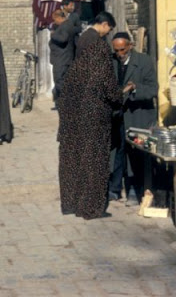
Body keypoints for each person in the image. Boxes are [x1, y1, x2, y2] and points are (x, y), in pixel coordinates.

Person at [58, 11, 131, 220]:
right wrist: (119, 94)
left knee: (74, 157)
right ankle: (91, 207)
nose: (108, 34)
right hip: (93, 112)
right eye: (109, 29)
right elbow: (105, 81)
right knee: (94, 159)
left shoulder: (81, 45)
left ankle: (72, 202)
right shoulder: (99, 47)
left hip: (74, 109)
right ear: (105, 25)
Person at [108, 32, 158, 204]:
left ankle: (134, 190)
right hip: (119, 115)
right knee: (118, 151)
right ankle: (115, 188)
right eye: (116, 51)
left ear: (130, 46)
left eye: (122, 50)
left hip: (138, 116)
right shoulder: (112, 61)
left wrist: (135, 88)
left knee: (135, 154)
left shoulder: (144, 61)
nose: (120, 54)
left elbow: (153, 89)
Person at [49, 4, 81, 105]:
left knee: (59, 80)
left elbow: (63, 39)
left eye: (55, 20)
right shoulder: (68, 25)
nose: (54, 22)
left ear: (59, 18)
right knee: (64, 81)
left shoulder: (65, 26)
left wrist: (53, 35)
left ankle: (67, 101)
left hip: (62, 59)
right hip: (64, 58)